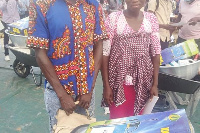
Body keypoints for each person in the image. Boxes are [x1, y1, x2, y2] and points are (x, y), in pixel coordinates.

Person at [27, 0, 108, 132]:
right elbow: (40, 54)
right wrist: (62, 95)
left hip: (87, 94)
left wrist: (90, 89)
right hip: (57, 94)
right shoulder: (41, 4)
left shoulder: (93, 4)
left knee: (87, 129)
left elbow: (98, 44)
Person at [102, 0, 161, 119]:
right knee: (119, 120)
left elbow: (156, 52)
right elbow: (105, 54)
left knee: (139, 120)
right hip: (119, 81)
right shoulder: (114, 19)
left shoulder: (151, 19)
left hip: (143, 80)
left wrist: (155, 84)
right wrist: (106, 86)